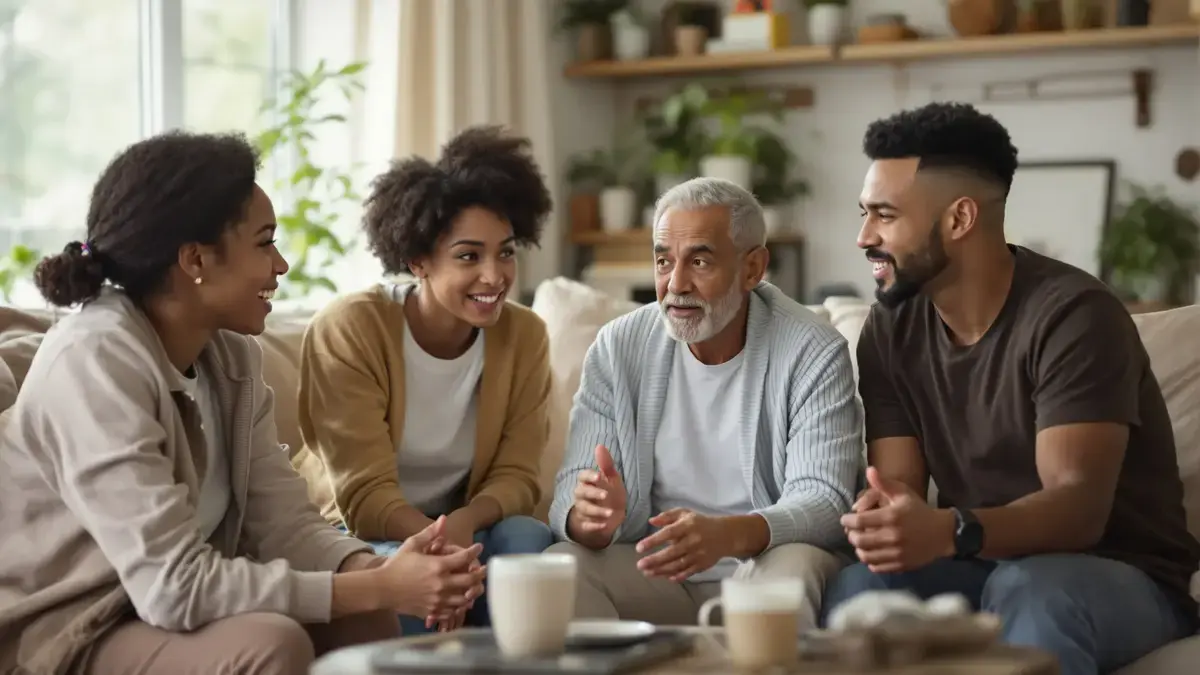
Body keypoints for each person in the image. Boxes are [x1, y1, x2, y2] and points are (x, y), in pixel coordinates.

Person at [0, 131, 488, 675]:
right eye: (264, 242)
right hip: (72, 628)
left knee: (366, 621)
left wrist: (385, 567)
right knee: (270, 643)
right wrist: (374, 585)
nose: (280, 265)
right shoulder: (94, 362)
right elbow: (174, 587)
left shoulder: (229, 356)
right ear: (196, 260)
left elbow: (287, 527)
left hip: (157, 614)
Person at [822, 102, 1200, 675]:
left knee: (1037, 589)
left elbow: (1077, 511)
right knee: (861, 589)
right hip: (980, 562)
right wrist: (887, 517)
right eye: (864, 214)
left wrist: (948, 530)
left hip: (1118, 572)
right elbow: (897, 481)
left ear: (959, 219)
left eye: (884, 215)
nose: (863, 237)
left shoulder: (1074, 316)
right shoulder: (891, 325)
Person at [545, 177, 862, 630]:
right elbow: (571, 490)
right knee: (562, 565)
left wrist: (730, 533)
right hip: (657, 572)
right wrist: (589, 519)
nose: (676, 284)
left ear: (752, 269)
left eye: (699, 260)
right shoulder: (618, 347)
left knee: (795, 567)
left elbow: (826, 500)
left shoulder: (812, 350)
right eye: (663, 261)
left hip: (765, 562)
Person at [291, 125, 556, 635]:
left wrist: (461, 526)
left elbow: (519, 476)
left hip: (463, 529)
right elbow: (363, 497)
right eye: (468, 256)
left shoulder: (525, 336)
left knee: (527, 541)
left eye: (505, 251)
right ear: (418, 261)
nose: (494, 275)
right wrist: (441, 547)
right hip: (360, 533)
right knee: (408, 582)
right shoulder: (351, 328)